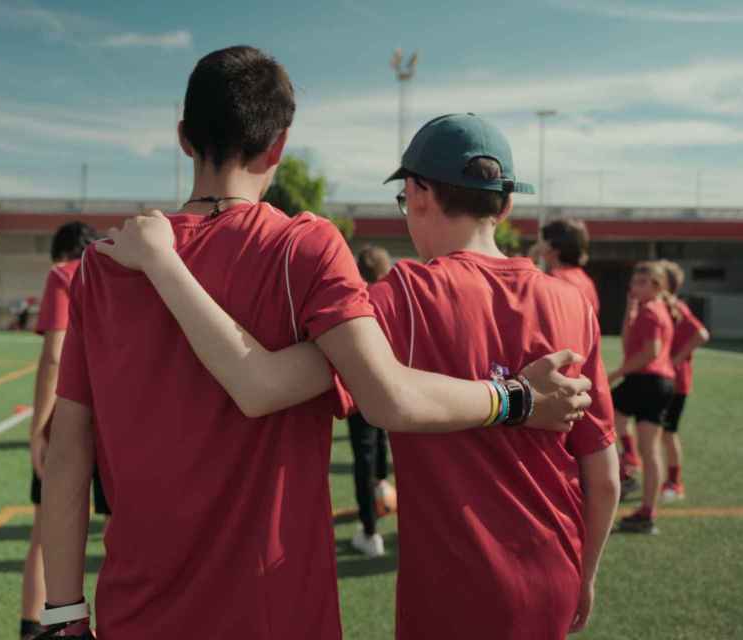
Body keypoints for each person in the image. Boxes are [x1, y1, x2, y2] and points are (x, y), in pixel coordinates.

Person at [38, 48, 592, 640]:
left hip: (137, 608)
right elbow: (383, 394)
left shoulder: (103, 266)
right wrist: (517, 398)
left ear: (183, 138)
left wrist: (63, 612)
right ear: (278, 147)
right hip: (277, 609)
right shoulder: (304, 247)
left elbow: (67, 449)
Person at [20, 222, 111, 640]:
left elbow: (55, 355)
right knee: (119, 532)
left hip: (71, 420)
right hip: (120, 418)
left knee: (47, 535)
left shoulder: (64, 274)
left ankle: (37, 628)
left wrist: (39, 428)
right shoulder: (119, 270)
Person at [608, 261, 676, 534]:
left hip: (645, 380)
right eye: (633, 282)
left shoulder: (650, 312)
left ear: (657, 286)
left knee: (597, 414)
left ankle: (627, 464)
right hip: (660, 383)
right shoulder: (653, 308)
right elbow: (627, 342)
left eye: (642, 283)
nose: (634, 287)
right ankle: (648, 512)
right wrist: (629, 309)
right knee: (650, 450)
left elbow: (650, 352)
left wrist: (616, 374)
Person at [348, 245, 395, 558]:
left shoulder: (359, 299)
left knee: (364, 455)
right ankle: (381, 488)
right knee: (381, 440)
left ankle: (369, 531)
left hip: (362, 389)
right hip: (392, 385)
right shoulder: (396, 295)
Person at [658, 260, 709, 502]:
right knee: (656, 432)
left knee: (668, 433)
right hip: (662, 380)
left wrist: (675, 361)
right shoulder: (659, 306)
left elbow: (701, 333)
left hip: (676, 383)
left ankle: (674, 482)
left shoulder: (677, 307)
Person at [538, 218, 600, 315]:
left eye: (542, 241)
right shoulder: (587, 282)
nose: (538, 246)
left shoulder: (553, 279)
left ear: (551, 247)